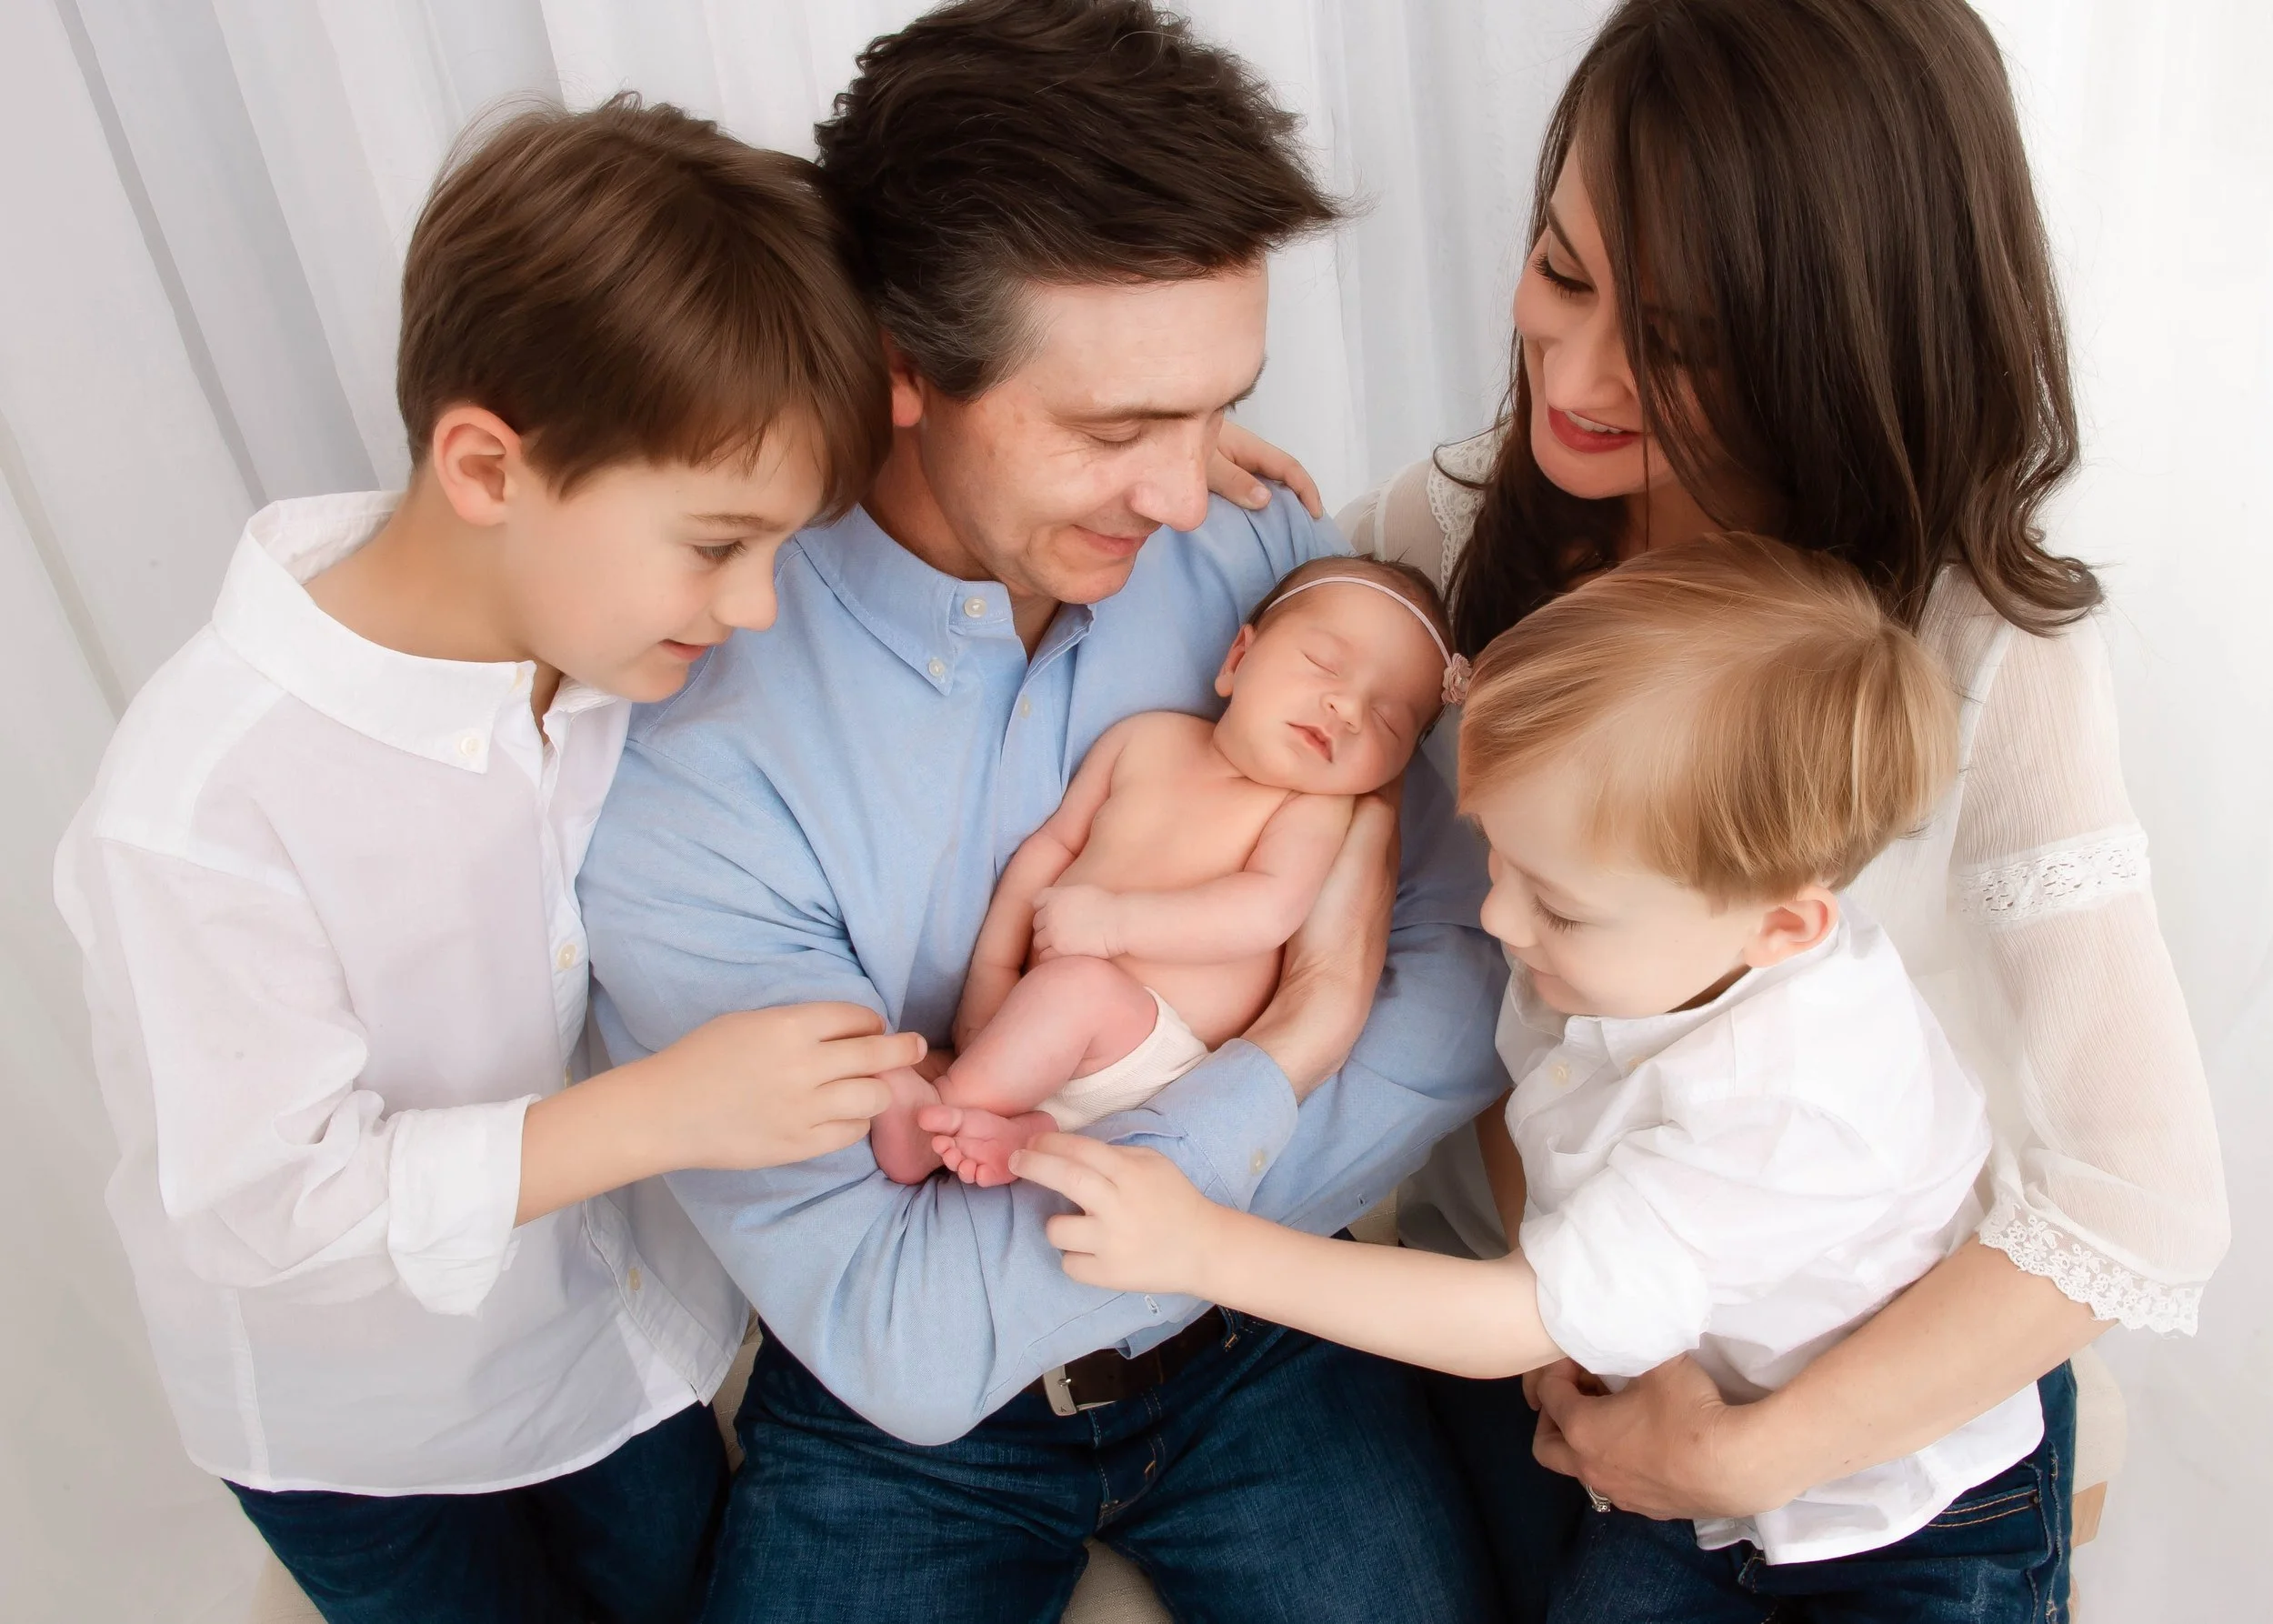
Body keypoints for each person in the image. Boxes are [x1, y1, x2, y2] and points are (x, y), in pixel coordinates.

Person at [576, 4, 1507, 1620]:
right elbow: (900, 1329)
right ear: (906, 369)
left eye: (1217, 406)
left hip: (1272, 1343)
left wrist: (1187, 1246)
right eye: (1116, 428)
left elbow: (1452, 1003)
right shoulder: (695, 741)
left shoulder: (1247, 558)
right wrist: (1286, 1060)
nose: (1187, 485)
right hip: (900, 1442)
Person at [1333, 0, 2229, 1613]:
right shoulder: (1454, 524)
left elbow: (2142, 1196)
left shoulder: (1975, 649)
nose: (1580, 373)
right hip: (1522, 1351)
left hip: (1857, 1447)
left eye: (1675, 340)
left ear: (1845, 329)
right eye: (1560, 268)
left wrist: (1751, 1454)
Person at [51, 99, 932, 1624]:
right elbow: (273, 1208)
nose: (759, 608)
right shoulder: (203, 806)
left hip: (621, 1349)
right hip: (365, 1438)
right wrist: (666, 1110)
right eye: (719, 547)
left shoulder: (602, 636)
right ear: (483, 467)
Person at [1021, 536, 2068, 1621]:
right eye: (1494, 856)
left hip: (1909, 1516)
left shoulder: (1793, 1103)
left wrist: (1200, 1245)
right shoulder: (1628, 942)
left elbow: (1503, 1322)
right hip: (1678, 1442)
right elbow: (1541, 1132)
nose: (1497, 917)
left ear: (1785, 925)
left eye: (1555, 902)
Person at [877, 556, 1465, 1187]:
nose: (1347, 708)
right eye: (1324, 663)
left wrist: (1118, 925)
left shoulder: (1308, 809)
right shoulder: (1144, 740)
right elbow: (1047, 852)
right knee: (889, 1065)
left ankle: (938, 1128)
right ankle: (1019, 1135)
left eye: (1387, 722)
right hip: (1039, 1021)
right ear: (1239, 657)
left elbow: (1268, 909)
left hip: (1150, 1056)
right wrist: (991, 976)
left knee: (1075, 992)